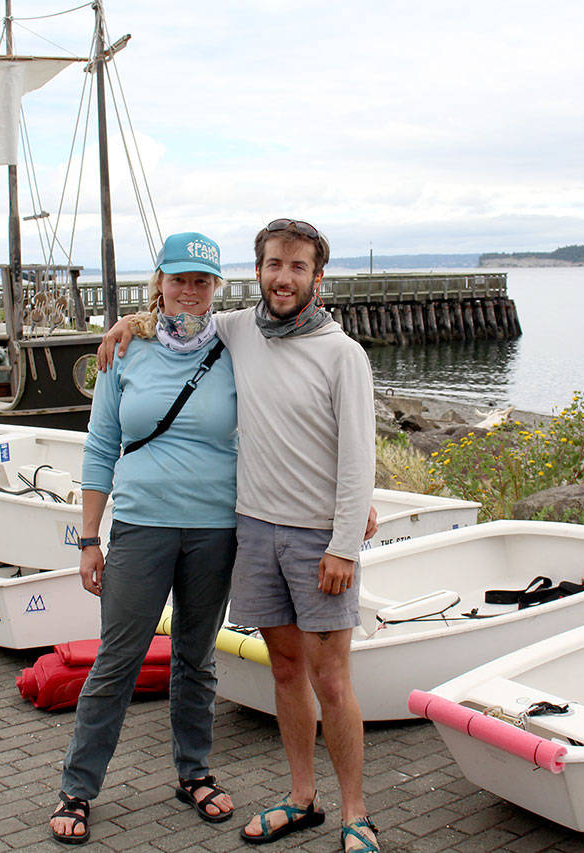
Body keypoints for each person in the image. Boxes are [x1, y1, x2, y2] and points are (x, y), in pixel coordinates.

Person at [101, 219, 380, 852]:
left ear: (317, 277)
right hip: (254, 532)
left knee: (331, 679)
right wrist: (123, 326)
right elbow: (176, 312)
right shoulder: (239, 330)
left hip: (317, 541)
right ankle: (302, 798)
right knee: (285, 671)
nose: (284, 278)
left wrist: (344, 542)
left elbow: (359, 458)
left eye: (298, 267)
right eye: (274, 264)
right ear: (256, 272)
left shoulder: (343, 354)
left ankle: (355, 813)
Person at [50, 232, 238, 845]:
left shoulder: (238, 346)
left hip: (215, 527)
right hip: (140, 526)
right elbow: (101, 446)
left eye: (202, 281)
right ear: (159, 280)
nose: (190, 291)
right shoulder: (124, 352)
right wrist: (89, 538)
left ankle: (194, 773)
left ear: (217, 288)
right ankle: (77, 787)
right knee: (118, 659)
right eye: (179, 278)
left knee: (196, 658)